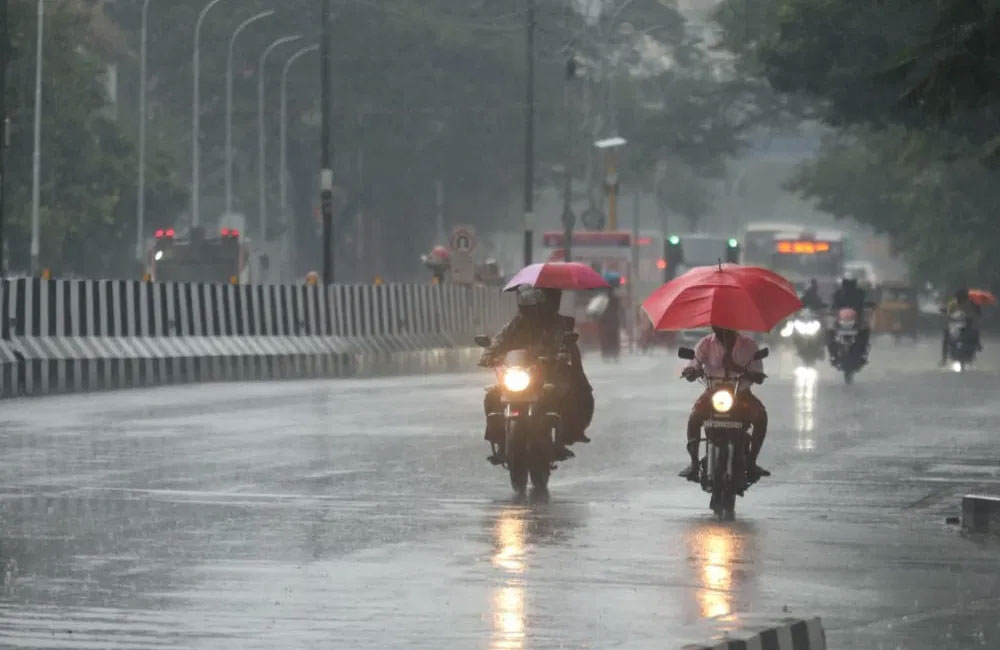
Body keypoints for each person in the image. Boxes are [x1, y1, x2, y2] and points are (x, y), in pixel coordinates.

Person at [479, 284, 594, 464]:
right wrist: (489, 355)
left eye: (533, 307)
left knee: (562, 393)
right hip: (517, 375)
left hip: (544, 376)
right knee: (492, 396)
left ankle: (560, 440)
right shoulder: (515, 325)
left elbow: (562, 344)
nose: (529, 313)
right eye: (525, 308)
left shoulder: (556, 325)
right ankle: (499, 442)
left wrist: (560, 354)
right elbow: (499, 342)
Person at [679, 327, 770, 482]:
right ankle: (694, 463)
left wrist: (736, 367)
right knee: (694, 417)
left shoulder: (749, 345)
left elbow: (759, 377)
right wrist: (690, 371)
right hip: (712, 394)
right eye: (717, 324)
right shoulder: (705, 344)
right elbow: (694, 364)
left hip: (741, 395)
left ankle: (752, 461)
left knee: (761, 417)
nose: (721, 328)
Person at [828, 276, 870, 363]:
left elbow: (863, 306)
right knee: (830, 332)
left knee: (865, 330)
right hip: (842, 321)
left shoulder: (859, 293)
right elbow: (834, 307)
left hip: (855, 321)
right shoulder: (840, 294)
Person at [940, 288, 982, 365]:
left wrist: (973, 315)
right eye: (959, 297)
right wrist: (949, 317)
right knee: (946, 336)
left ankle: (977, 344)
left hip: (967, 325)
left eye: (963, 297)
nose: (961, 299)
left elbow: (976, 313)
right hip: (955, 325)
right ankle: (944, 358)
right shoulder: (952, 304)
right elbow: (948, 315)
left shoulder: (970, 304)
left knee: (975, 331)